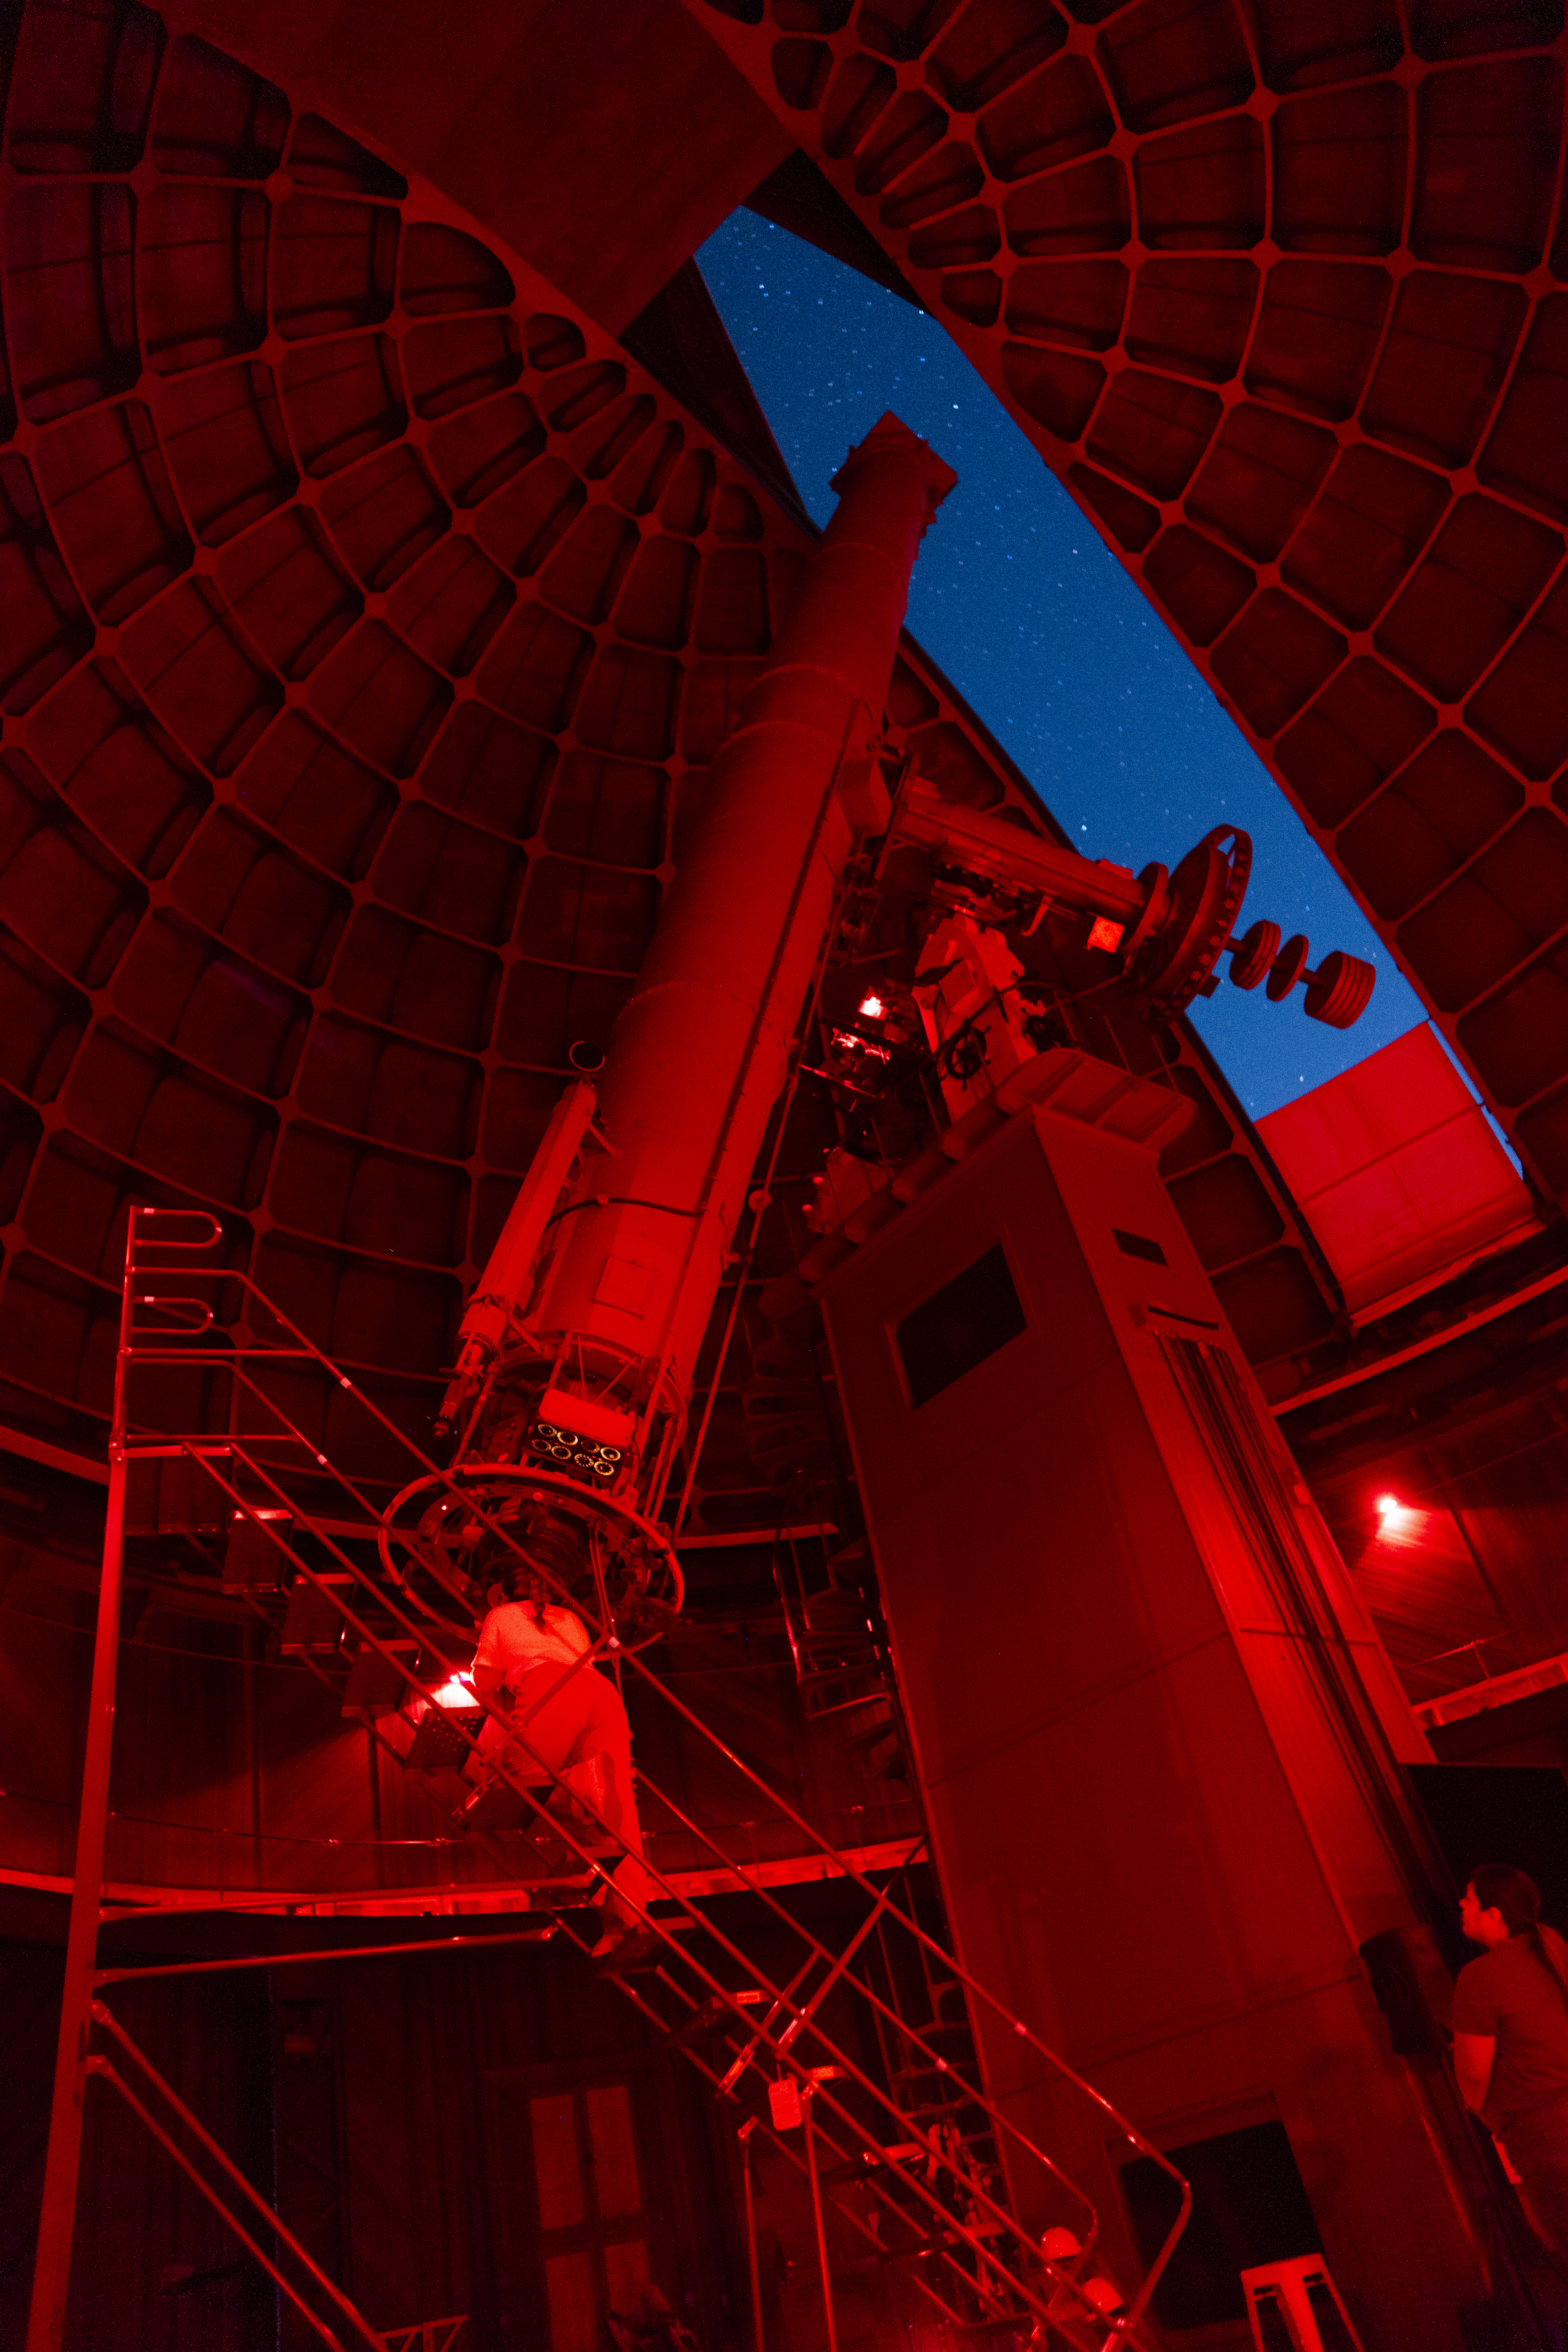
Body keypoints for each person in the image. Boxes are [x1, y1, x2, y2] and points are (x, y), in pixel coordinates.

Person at [467, 1559, 659, 1966]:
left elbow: (484, 1686)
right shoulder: (570, 1617)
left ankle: (580, 1796)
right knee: (621, 1819)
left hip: (552, 1687)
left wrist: (479, 1667)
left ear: (502, 1595)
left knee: (513, 1780)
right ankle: (625, 1923)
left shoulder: (499, 1616)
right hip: (602, 1696)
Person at [1454, 1863, 1568, 2261]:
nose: (1460, 1905)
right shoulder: (1557, 1957)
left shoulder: (1480, 1978)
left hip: (1547, 2141)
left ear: (1493, 1915)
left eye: (1468, 1900)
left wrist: (1487, 2112)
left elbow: (1472, 2079)